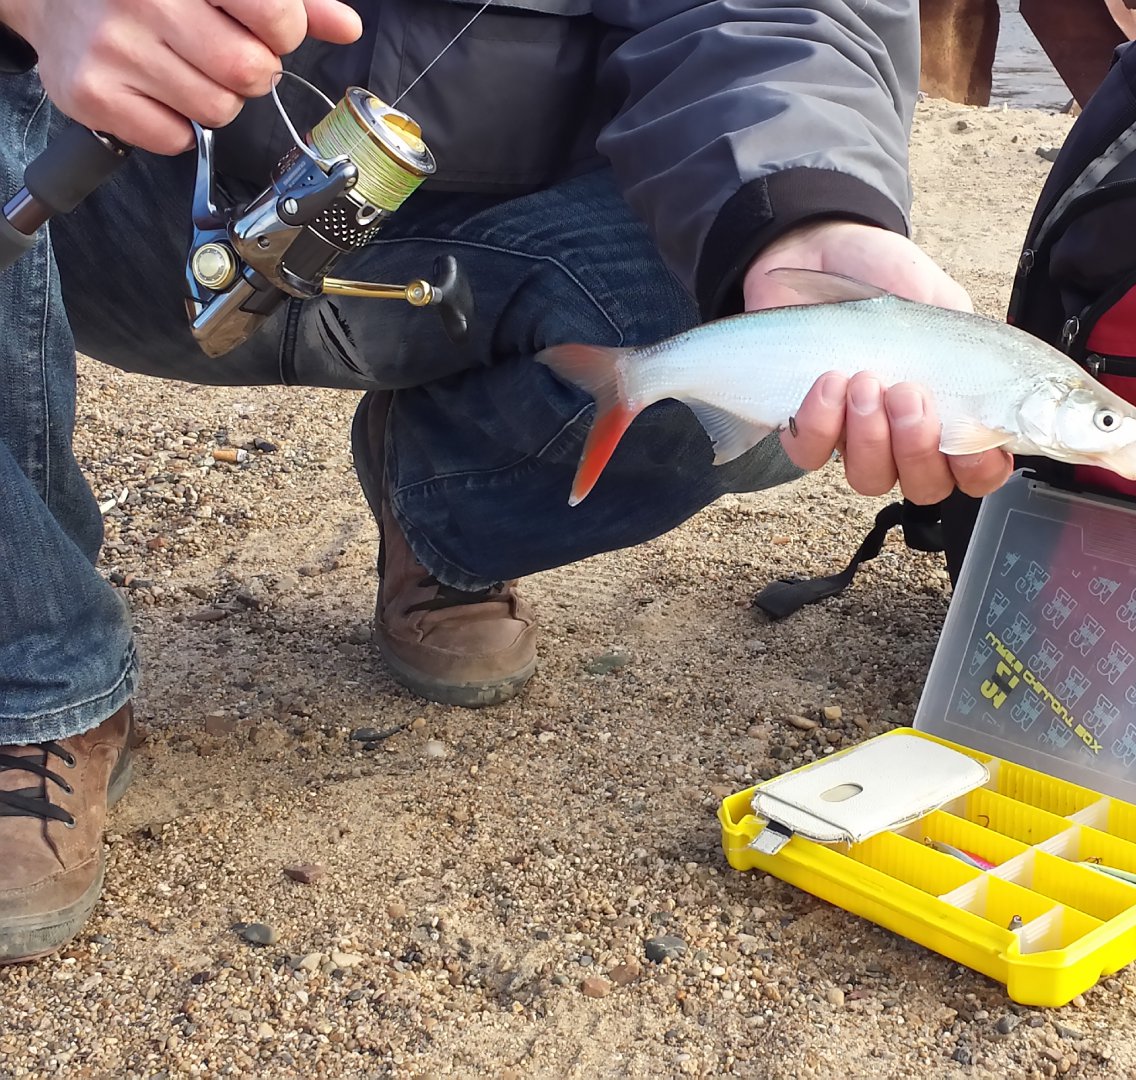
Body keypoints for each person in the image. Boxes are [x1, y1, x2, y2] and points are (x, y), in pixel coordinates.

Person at [0, 0, 1013, 964]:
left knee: (755, 348)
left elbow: (778, 19)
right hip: (94, 192)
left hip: (512, 230)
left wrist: (800, 216)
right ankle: (35, 676)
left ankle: (445, 512)